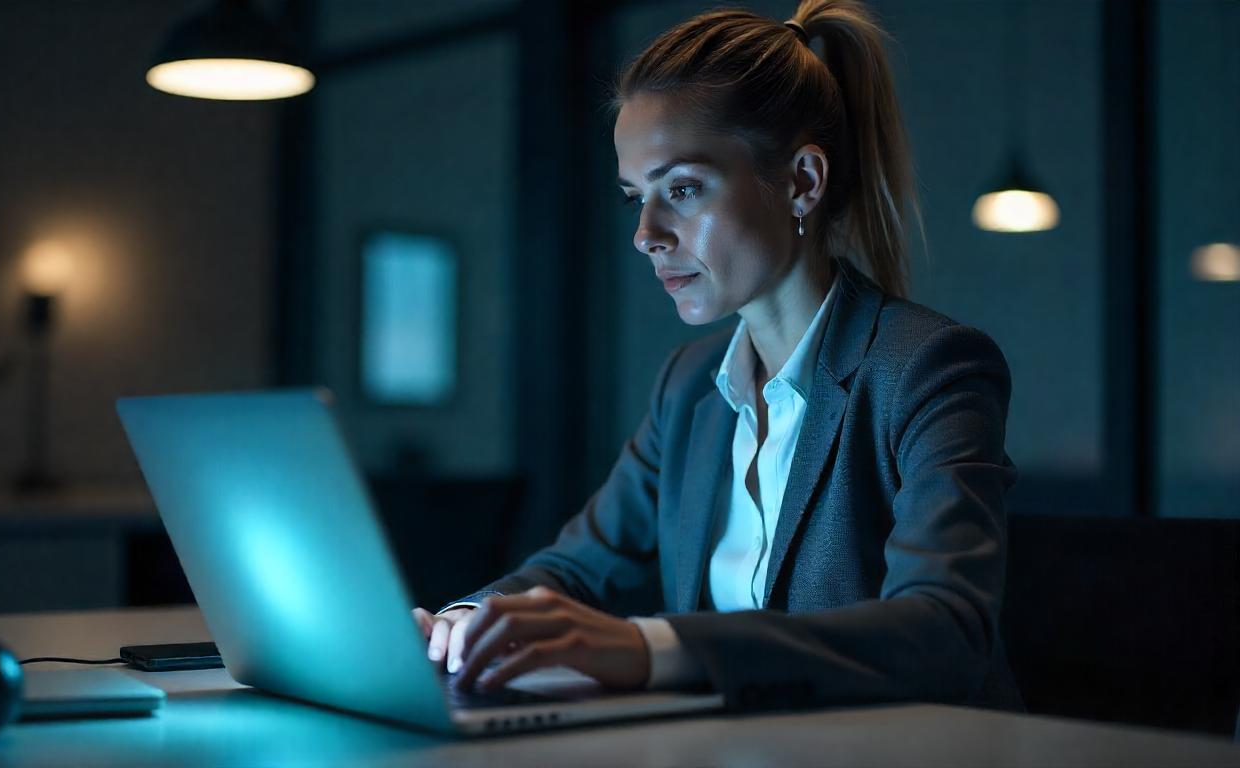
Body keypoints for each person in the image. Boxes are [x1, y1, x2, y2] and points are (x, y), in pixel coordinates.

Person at [412, 0, 1023, 711]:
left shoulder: (929, 367)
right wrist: (461, 622)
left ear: (801, 183)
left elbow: (945, 631)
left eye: (682, 189)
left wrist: (649, 648)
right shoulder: (690, 386)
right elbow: (575, 570)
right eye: (635, 197)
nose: (646, 233)